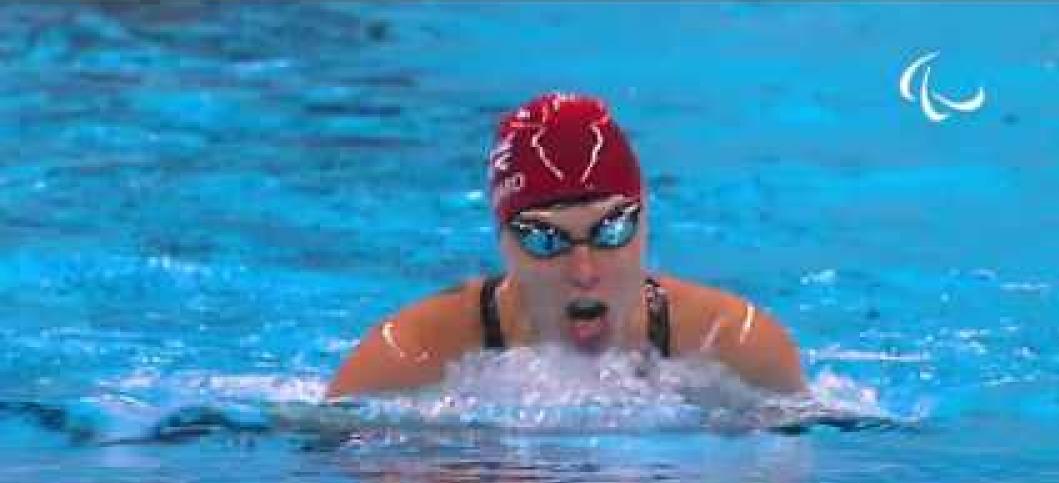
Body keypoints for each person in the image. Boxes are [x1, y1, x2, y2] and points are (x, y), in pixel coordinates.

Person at [325, 92, 808, 399]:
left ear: (646, 222)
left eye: (612, 230)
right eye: (544, 238)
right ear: (502, 241)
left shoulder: (736, 349)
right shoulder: (411, 356)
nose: (583, 270)